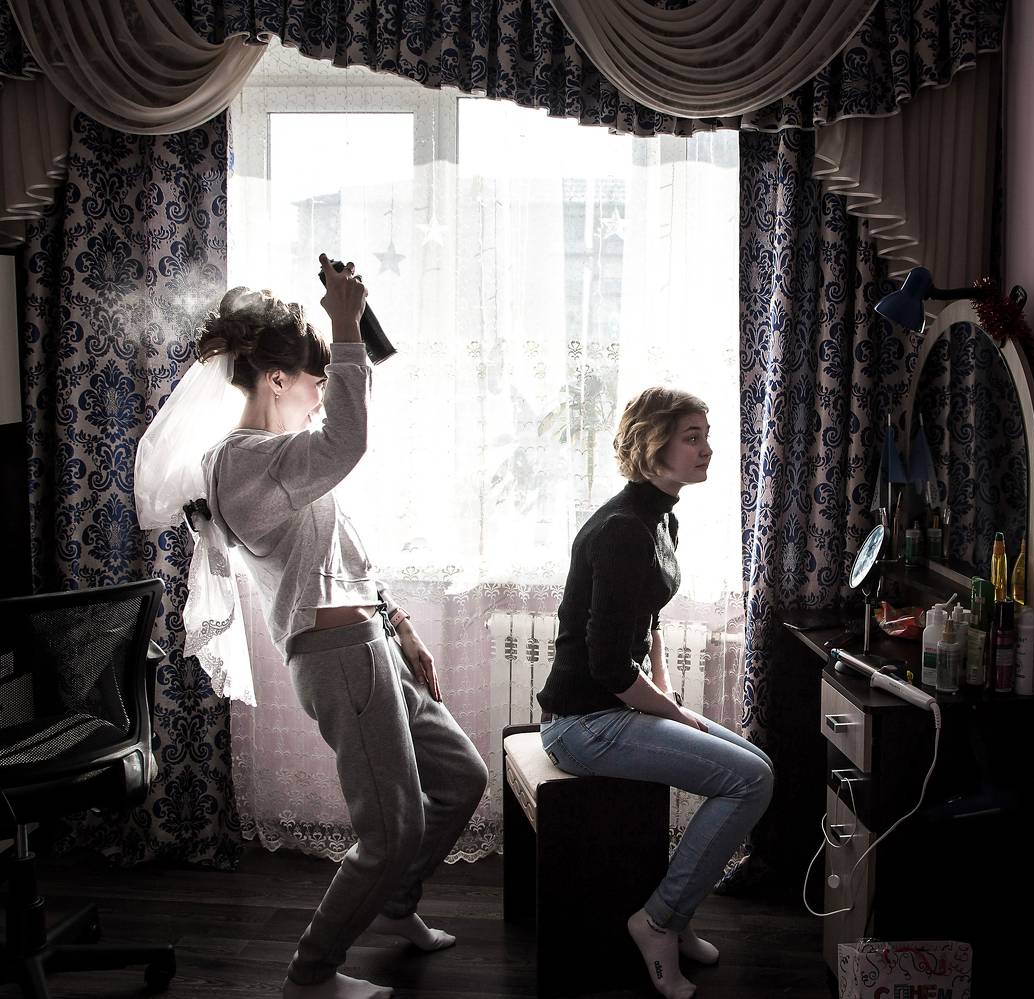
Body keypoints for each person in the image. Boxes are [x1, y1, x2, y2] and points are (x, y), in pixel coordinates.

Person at [198, 257, 488, 999]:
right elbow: (348, 441)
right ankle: (311, 972)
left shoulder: (285, 464)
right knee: (389, 831)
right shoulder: (244, 463)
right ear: (276, 381)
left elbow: (344, 552)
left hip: (373, 645)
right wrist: (346, 327)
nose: (323, 392)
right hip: (337, 658)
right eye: (314, 380)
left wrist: (402, 626)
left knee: (462, 778)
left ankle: (394, 900)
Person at [536, 388, 773, 999]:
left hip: (612, 709)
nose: (707, 449)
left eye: (706, 435)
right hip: (583, 724)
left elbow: (649, 621)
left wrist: (669, 699)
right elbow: (608, 667)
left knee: (759, 766)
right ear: (652, 444)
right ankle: (659, 921)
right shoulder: (622, 530)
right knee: (750, 781)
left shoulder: (659, 516)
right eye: (692, 437)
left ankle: (677, 909)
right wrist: (671, 713)